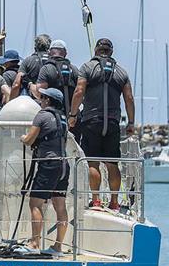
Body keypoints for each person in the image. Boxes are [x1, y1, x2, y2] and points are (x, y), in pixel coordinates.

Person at [68, 38, 134, 210]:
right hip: (112, 122)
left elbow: (79, 91)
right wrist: (131, 122)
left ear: (96, 51)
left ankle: (96, 200)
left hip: (92, 120)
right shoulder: (121, 72)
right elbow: (129, 98)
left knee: (93, 161)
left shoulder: (87, 68)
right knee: (112, 162)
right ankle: (114, 202)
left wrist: (73, 115)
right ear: (111, 52)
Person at [20, 87, 70, 252]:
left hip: (49, 165)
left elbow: (29, 140)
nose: (40, 100)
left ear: (48, 101)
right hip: (64, 165)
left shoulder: (42, 115)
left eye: (42, 97)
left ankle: (34, 244)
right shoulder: (63, 118)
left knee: (35, 203)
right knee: (60, 206)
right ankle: (58, 247)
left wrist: (23, 138)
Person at [35, 39, 79, 117]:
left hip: (52, 114)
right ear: (65, 53)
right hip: (70, 114)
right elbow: (79, 92)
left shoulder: (46, 68)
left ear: (49, 52)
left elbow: (39, 92)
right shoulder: (74, 69)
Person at [9, 33, 51, 100]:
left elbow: (16, 84)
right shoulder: (53, 61)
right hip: (50, 101)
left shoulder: (28, 60)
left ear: (35, 47)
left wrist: (10, 102)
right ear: (49, 47)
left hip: (32, 100)